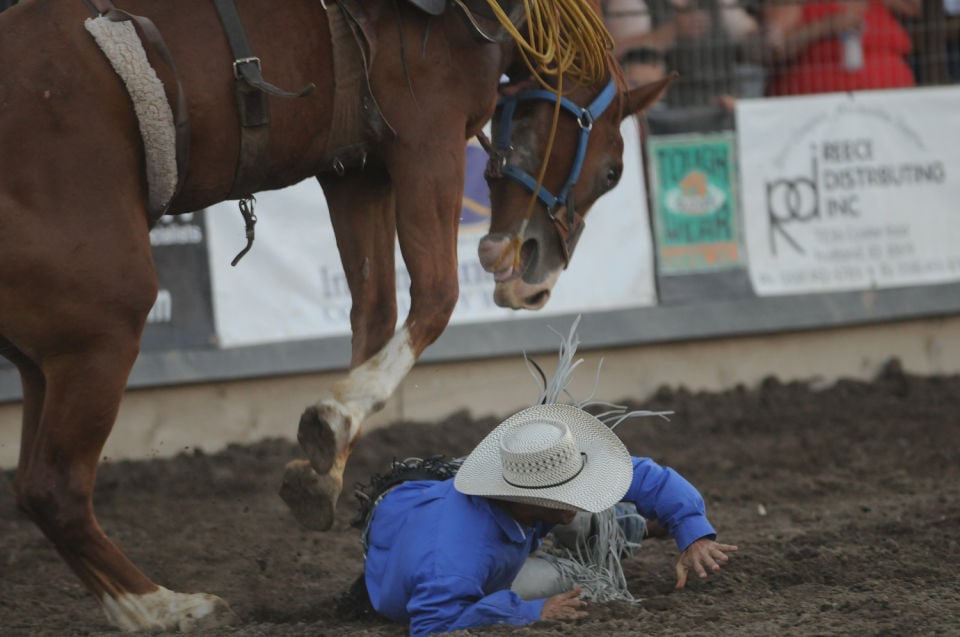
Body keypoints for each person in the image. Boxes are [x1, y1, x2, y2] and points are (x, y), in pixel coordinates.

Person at [354, 322, 737, 637]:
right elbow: (431, 624)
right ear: (525, 498)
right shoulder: (455, 559)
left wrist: (692, 528)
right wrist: (532, 612)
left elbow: (647, 475)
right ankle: (630, 531)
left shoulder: (528, 487)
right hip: (409, 531)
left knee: (582, 516)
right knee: (558, 582)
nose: (577, 495)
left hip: (430, 503)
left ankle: (639, 529)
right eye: (564, 492)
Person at [763, 0, 917, 96]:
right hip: (819, 109)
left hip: (892, 105)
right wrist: (827, 26)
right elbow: (775, 50)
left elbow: (917, 8)